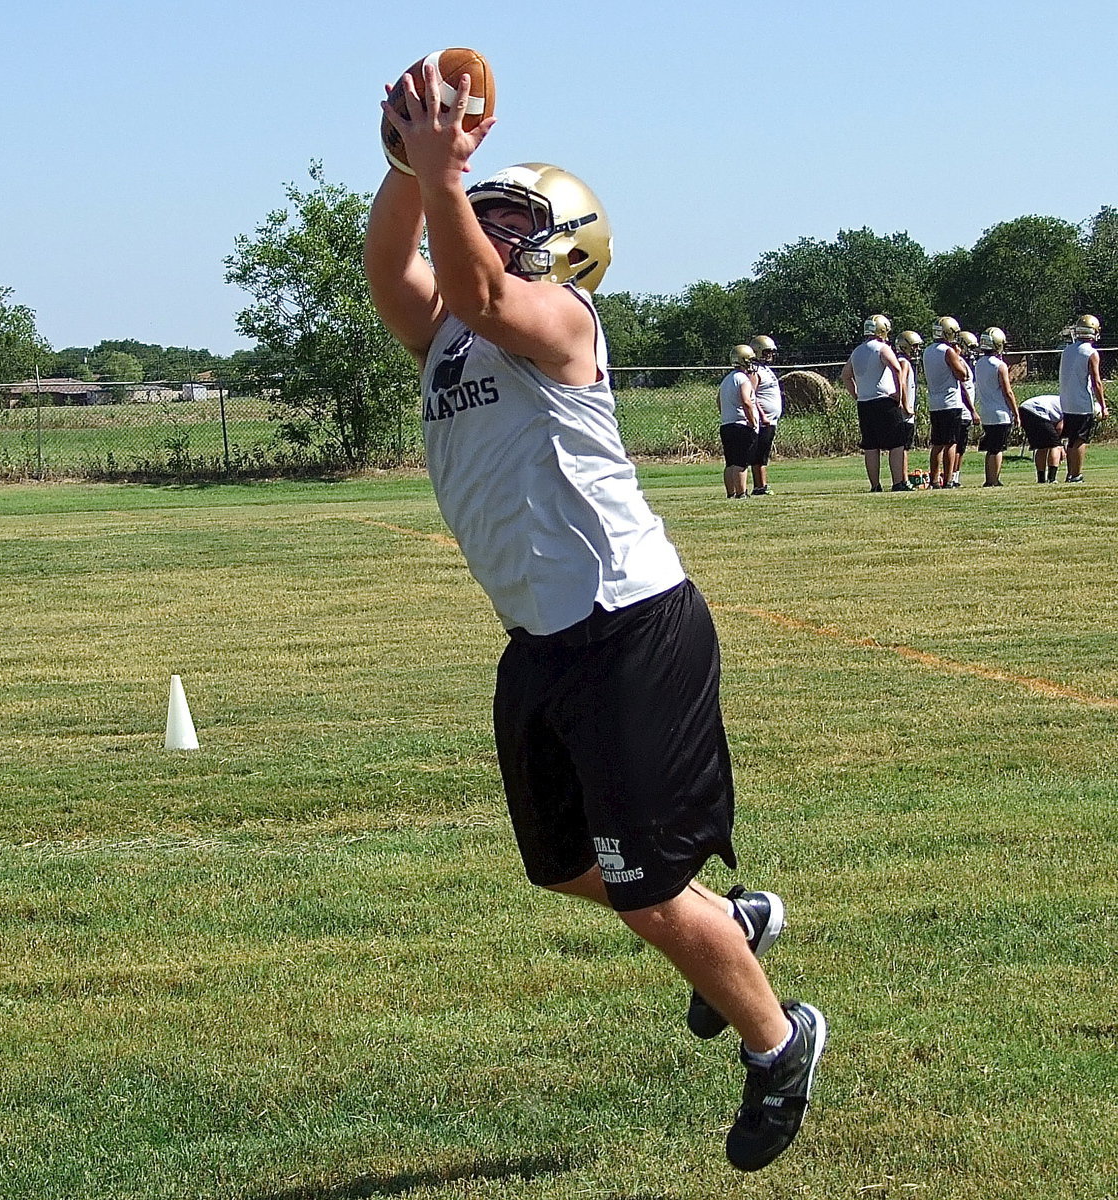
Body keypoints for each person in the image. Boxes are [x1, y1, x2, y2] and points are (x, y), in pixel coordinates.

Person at [365, 58, 825, 1174]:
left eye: (512, 212)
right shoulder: (449, 336)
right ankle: (736, 918)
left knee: (645, 889)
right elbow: (393, 270)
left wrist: (443, 169)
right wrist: (405, 163)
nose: (486, 220)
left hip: (628, 627)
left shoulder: (562, 317)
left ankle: (781, 1043)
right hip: (542, 641)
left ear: (571, 243)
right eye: (483, 209)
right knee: (567, 863)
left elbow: (475, 289)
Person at [841, 314, 910, 491]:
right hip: (884, 401)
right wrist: (899, 394)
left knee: (871, 446)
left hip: (864, 403)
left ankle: (875, 485)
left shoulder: (857, 351)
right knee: (896, 443)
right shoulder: (882, 348)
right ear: (882, 330)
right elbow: (896, 368)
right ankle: (897, 483)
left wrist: (857, 395)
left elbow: (845, 376)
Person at [923, 316, 974, 488]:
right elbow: (962, 374)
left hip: (934, 402)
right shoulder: (947, 351)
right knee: (951, 442)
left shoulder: (928, 351)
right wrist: (958, 358)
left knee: (937, 444)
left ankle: (934, 479)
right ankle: (949, 478)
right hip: (950, 402)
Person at [1058, 314, 1108, 482]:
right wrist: (1103, 405)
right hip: (1081, 402)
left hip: (1066, 401)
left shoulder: (1067, 350)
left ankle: (1070, 473)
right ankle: (1076, 474)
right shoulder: (1091, 353)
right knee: (1080, 439)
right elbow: (1096, 382)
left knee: (1071, 439)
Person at [974, 328, 1020, 486]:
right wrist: (1016, 412)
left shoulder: (979, 363)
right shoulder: (1000, 365)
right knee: (997, 449)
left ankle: (989, 478)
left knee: (991, 448)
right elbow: (1007, 391)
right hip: (999, 412)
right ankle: (993, 480)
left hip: (986, 411)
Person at [719, 345, 761, 499]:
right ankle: (741, 493)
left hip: (726, 424)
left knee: (730, 462)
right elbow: (746, 401)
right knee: (741, 462)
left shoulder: (726, 379)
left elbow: (719, 401)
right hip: (741, 424)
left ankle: (730, 493)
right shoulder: (743, 379)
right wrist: (752, 421)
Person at [749, 335, 783, 495]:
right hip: (763, 421)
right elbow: (751, 395)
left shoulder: (765, 369)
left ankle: (762, 485)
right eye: (766, 351)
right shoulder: (754, 371)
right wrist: (762, 415)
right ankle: (759, 486)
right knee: (759, 454)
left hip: (770, 419)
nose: (770, 355)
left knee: (764, 452)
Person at [950, 331, 981, 487]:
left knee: (961, 447)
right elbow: (962, 390)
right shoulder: (958, 361)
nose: (971, 351)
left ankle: (955, 476)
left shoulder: (964, 361)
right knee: (957, 446)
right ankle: (952, 477)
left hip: (964, 411)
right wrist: (972, 410)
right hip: (961, 410)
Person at [1018, 393, 1066, 482]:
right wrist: (1060, 445)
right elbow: (1059, 428)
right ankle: (1052, 478)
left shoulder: (1063, 400)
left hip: (1024, 409)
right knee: (1055, 446)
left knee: (1042, 447)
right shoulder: (1070, 407)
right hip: (1037, 411)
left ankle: (1041, 479)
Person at [895, 330, 924, 476]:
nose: (916, 350)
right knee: (903, 447)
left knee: (904, 446)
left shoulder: (903, 361)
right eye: (914, 346)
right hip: (904, 413)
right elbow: (902, 383)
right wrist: (906, 405)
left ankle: (903, 477)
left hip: (905, 411)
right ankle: (903, 477)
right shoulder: (903, 362)